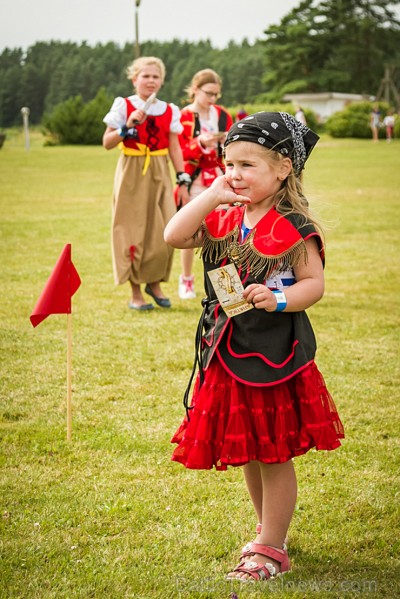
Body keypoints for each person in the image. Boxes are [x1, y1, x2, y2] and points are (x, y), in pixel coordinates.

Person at [165, 112, 344, 582]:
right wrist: (209, 195)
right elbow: (175, 236)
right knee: (248, 448)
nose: (235, 174)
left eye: (248, 165)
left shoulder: (294, 226)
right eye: (229, 164)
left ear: (283, 168)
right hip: (228, 351)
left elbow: (314, 284)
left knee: (273, 451)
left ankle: (270, 550)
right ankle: (269, 529)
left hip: (274, 356)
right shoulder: (224, 216)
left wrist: (280, 298)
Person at [103, 56, 189, 311]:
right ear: (134, 79)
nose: (151, 81)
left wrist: (182, 177)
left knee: (165, 227)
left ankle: (154, 282)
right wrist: (126, 128)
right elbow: (106, 143)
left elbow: (174, 145)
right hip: (132, 169)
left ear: (161, 81)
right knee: (131, 229)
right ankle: (135, 291)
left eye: (155, 77)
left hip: (160, 170)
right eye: (145, 76)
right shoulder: (124, 105)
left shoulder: (170, 109)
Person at [176, 69, 233, 300]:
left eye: (216, 94)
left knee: (225, 228)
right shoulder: (184, 117)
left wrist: (224, 140)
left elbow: (233, 144)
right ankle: (186, 279)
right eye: (209, 93)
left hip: (220, 175)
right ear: (196, 90)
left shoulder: (222, 114)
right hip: (195, 179)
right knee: (190, 228)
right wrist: (199, 143)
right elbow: (178, 151)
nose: (212, 99)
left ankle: (225, 283)